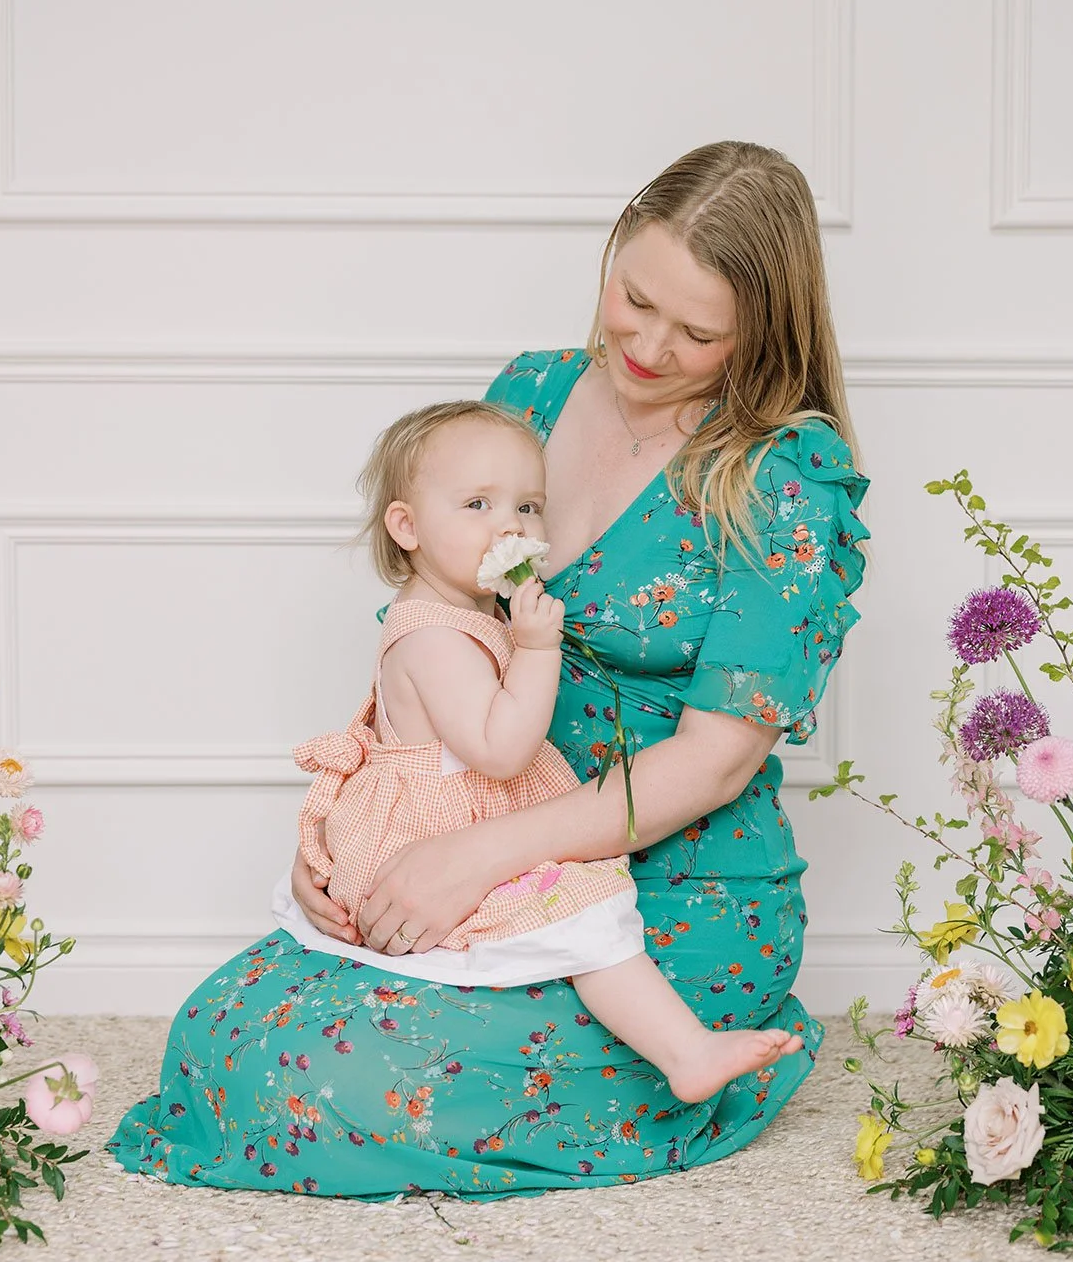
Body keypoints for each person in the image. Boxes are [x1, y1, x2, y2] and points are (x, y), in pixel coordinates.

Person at [110, 140, 869, 1197]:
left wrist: (471, 861)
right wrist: (342, 832)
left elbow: (711, 763)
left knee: (310, 1083)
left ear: (762, 329)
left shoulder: (775, 478)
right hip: (479, 840)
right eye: (632, 297)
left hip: (667, 897)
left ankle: (693, 1048)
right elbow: (432, 626)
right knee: (223, 1037)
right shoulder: (530, 398)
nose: (646, 346)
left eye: (697, 331)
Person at [272, 398, 806, 1103]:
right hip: (438, 834)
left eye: (528, 507)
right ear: (408, 526)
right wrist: (535, 646)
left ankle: (684, 1049)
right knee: (585, 911)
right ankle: (685, 1051)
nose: (510, 527)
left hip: (474, 823)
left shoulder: (467, 610)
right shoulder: (434, 634)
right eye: (477, 504)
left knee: (586, 912)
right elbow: (500, 750)